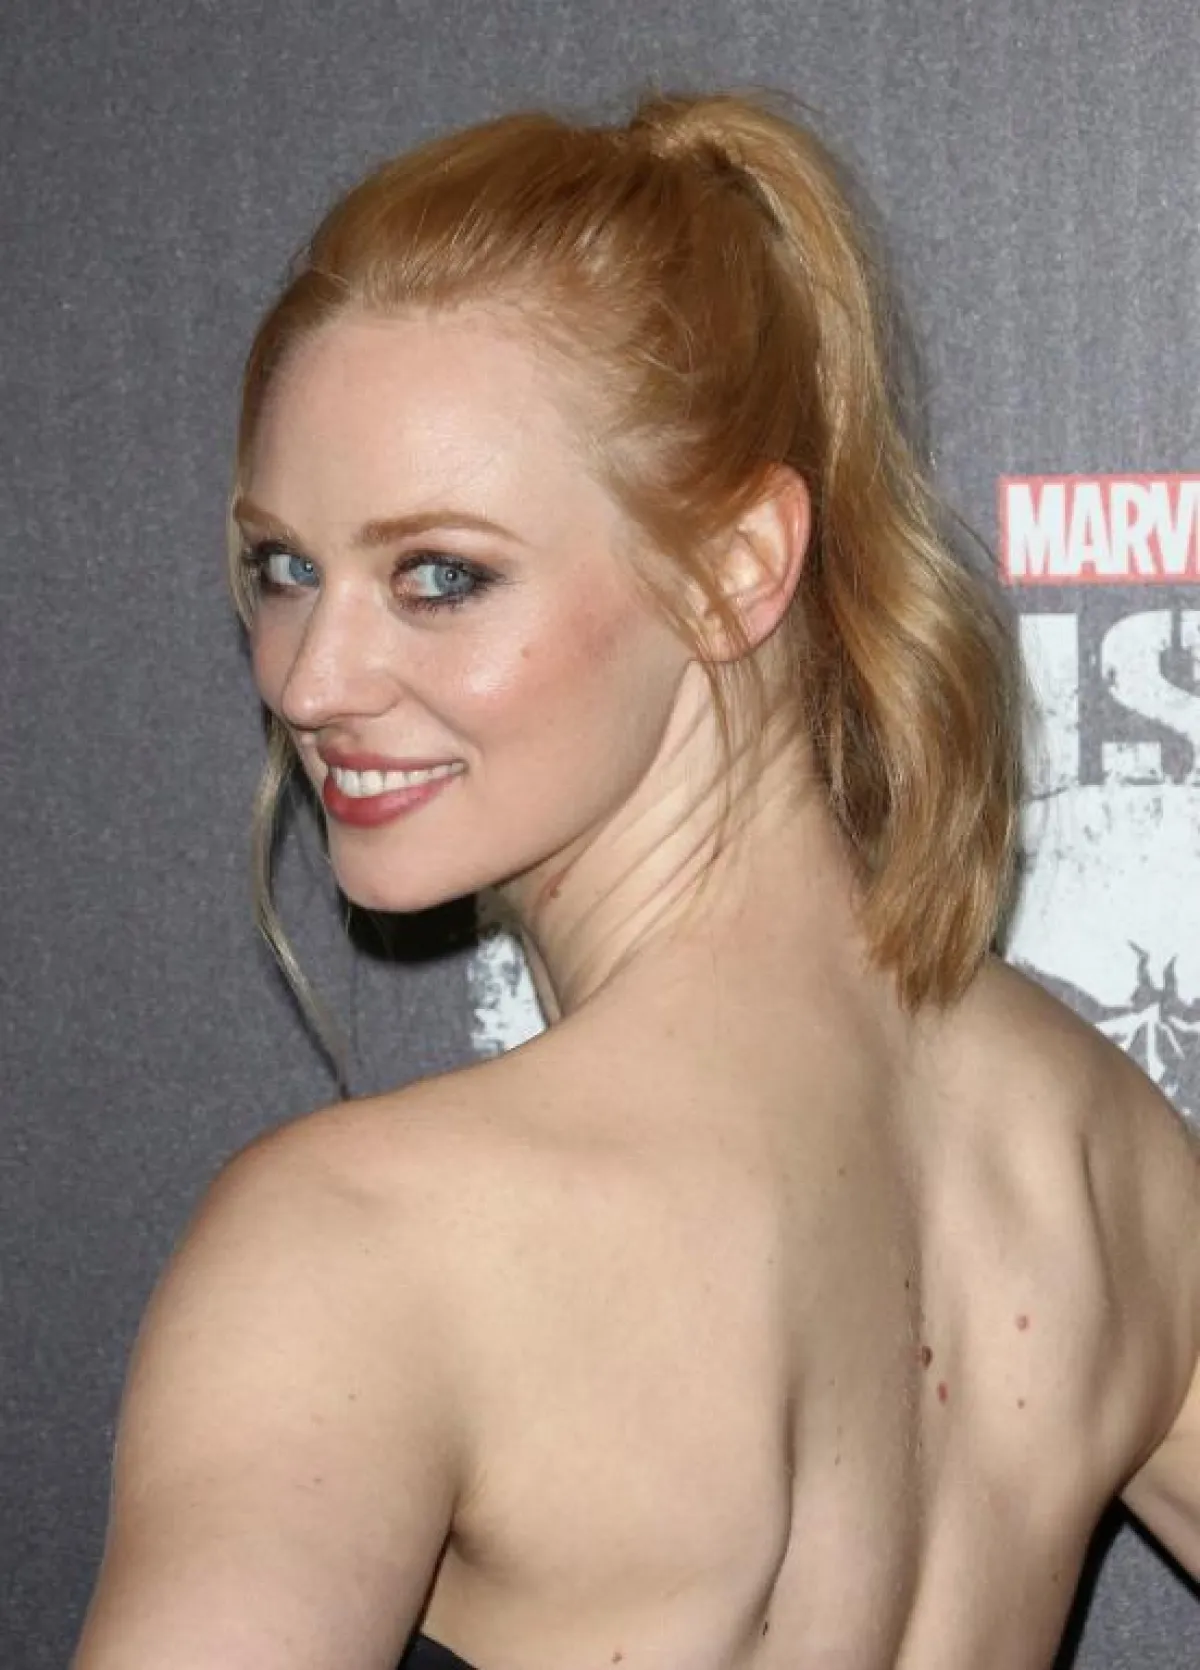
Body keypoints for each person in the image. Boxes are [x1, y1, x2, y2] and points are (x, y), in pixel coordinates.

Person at [73, 89, 1199, 1670]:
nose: (311, 679)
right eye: (285, 567)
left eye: (440, 575)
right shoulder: (1101, 1158)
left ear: (736, 568)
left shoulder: (363, 1247)